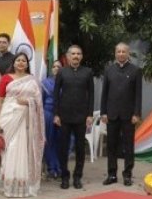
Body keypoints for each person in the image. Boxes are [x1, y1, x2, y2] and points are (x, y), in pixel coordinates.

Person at [0, 52, 45, 197]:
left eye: (24, 61)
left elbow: (39, 103)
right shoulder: (5, 78)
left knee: (22, 148)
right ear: (14, 63)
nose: (21, 63)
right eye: (18, 60)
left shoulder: (32, 81)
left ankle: (22, 183)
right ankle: (9, 182)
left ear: (27, 64)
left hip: (26, 120)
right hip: (8, 117)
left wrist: (28, 102)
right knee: (10, 149)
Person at [101, 42, 143, 186]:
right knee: (111, 146)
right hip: (111, 114)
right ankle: (112, 174)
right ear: (115, 53)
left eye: (123, 51)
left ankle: (127, 174)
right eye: (118, 51)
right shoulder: (109, 70)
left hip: (128, 115)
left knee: (128, 146)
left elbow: (138, 95)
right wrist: (103, 112)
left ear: (128, 53)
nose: (121, 54)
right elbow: (104, 93)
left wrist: (136, 113)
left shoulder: (135, 70)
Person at [53, 45, 94, 189]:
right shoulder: (62, 72)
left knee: (80, 149)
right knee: (63, 148)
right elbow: (56, 95)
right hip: (64, 116)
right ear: (68, 56)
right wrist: (56, 114)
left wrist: (89, 114)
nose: (76, 56)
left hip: (81, 117)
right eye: (73, 54)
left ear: (81, 56)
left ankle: (77, 177)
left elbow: (91, 95)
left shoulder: (88, 72)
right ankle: (65, 176)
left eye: (78, 53)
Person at [40, 61, 62, 179]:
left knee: (61, 142)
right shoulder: (45, 83)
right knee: (49, 142)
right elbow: (41, 101)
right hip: (47, 114)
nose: (56, 68)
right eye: (54, 66)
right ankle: (52, 168)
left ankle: (59, 167)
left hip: (62, 115)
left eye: (59, 66)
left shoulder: (66, 82)